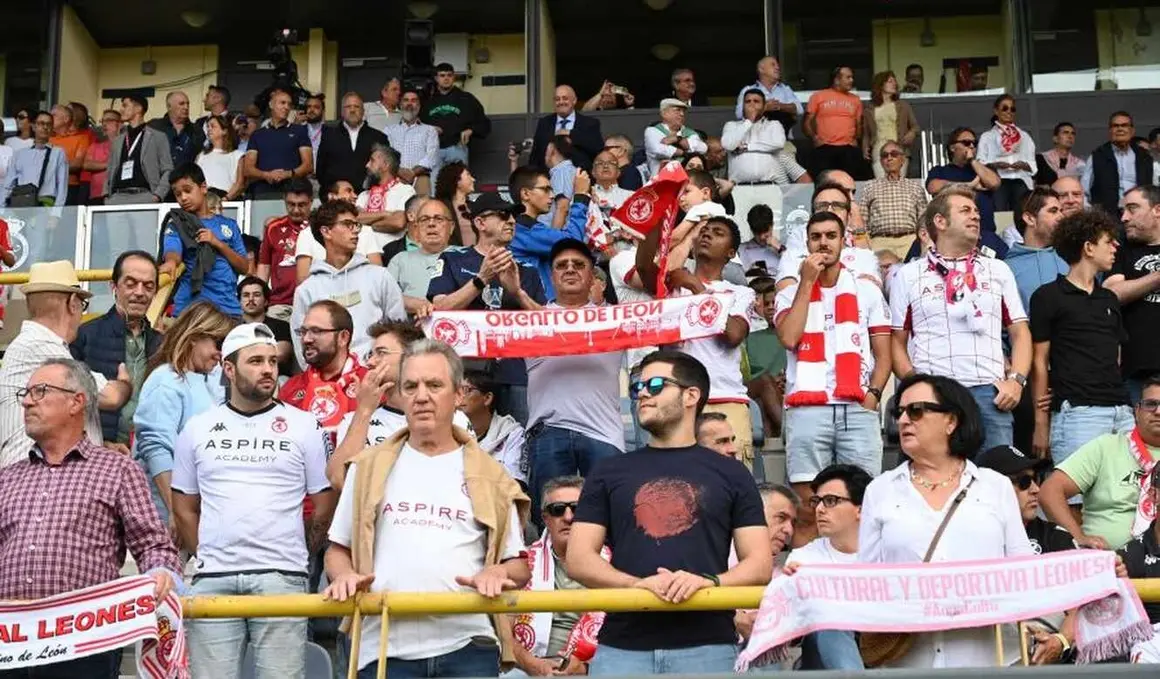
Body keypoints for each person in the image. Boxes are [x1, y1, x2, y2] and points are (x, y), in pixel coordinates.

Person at [324, 339, 531, 679]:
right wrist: (344, 575)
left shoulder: (492, 475)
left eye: (434, 385)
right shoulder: (366, 468)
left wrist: (500, 572)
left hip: (468, 646)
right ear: (401, 396)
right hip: (384, 647)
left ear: (458, 395)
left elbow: (517, 565)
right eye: (411, 386)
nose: (422, 396)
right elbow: (337, 550)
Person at [566, 350, 772, 675]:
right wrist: (636, 585)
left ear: (692, 395)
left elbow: (760, 564)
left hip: (709, 646)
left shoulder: (732, 473)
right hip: (622, 646)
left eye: (657, 384)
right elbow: (578, 559)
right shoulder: (608, 471)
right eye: (637, 388)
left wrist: (707, 583)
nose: (643, 393)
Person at [0, 358, 180, 679]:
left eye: (40, 391)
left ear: (76, 401)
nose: (27, 401)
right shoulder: (7, 478)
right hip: (9, 646)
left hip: (83, 645)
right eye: (25, 393)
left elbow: (154, 545)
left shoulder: (118, 470)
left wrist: (160, 574)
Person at [173, 323, 334, 679]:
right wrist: (208, 553)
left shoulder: (306, 425)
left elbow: (323, 501)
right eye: (256, 361)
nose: (268, 370)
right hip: (213, 576)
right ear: (228, 369)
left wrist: (301, 550)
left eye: (273, 362)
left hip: (283, 575)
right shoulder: (198, 428)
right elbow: (182, 505)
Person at [859, 373, 1033, 668]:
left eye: (916, 411)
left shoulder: (995, 486)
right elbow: (865, 581)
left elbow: (1025, 572)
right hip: (908, 664)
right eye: (898, 412)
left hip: (988, 663)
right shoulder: (880, 490)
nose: (902, 420)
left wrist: (1097, 569)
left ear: (951, 421)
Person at [889, 186, 1031, 452]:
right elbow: (896, 341)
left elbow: (1020, 332)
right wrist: (916, 386)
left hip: (990, 394)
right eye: (965, 211)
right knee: (931, 475)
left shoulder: (998, 269)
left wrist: (1016, 381)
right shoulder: (908, 275)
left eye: (976, 211)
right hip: (934, 394)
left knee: (996, 480)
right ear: (940, 222)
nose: (975, 217)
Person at [775, 212, 891, 536]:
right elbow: (789, 338)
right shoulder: (789, 293)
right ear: (807, 243)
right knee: (808, 507)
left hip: (857, 406)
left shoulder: (867, 291)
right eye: (816, 237)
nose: (823, 242)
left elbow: (884, 354)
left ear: (844, 242)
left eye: (830, 235)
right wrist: (807, 283)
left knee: (863, 504)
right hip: (807, 408)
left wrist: (874, 396)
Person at [636, 215, 758, 469]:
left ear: (731, 252)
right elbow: (645, 268)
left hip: (726, 398)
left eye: (717, 232)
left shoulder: (740, 293)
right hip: (676, 400)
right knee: (677, 483)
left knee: (732, 483)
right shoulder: (672, 286)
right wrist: (658, 221)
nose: (707, 234)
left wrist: (696, 288)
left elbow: (734, 334)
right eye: (703, 231)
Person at [428, 192, 547, 425]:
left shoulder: (527, 270)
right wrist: (480, 280)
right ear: (480, 223)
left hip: (516, 374)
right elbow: (439, 308)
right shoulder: (453, 260)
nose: (512, 221)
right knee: (460, 441)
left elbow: (545, 322)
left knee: (520, 441)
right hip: (465, 372)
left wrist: (518, 293)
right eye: (503, 215)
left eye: (513, 216)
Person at [0, 262, 133, 469]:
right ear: (72, 303)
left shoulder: (34, 344)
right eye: (83, 305)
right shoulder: (40, 345)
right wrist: (125, 382)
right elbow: (111, 397)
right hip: (35, 480)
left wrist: (100, 445)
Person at [526, 239, 624, 516]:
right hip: (549, 431)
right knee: (551, 522)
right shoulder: (524, 322)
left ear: (593, 276)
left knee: (609, 521)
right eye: (561, 265)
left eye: (579, 265)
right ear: (551, 275)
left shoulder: (616, 320)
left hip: (604, 435)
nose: (570, 269)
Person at [1030, 209, 1130, 464]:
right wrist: (1041, 423)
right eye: (1108, 241)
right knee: (1075, 500)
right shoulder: (1047, 296)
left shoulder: (1109, 298)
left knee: (1127, 496)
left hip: (1122, 411)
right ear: (1088, 247)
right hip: (1078, 413)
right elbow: (1039, 362)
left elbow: (1116, 357)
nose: (1116, 246)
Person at [133, 302, 232, 521]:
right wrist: (176, 513)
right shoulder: (166, 380)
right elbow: (156, 450)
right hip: (163, 517)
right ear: (195, 335)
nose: (220, 353)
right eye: (218, 342)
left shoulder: (205, 382)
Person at [1040, 375, 1160, 551]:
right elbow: (1049, 492)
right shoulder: (1106, 446)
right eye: (1151, 404)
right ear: (1137, 411)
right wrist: (1078, 537)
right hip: (1109, 564)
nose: (1158, 411)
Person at [506, 476, 604, 676]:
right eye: (557, 509)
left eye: (577, 508)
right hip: (530, 666)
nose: (568, 517)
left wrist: (586, 667)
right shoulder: (520, 564)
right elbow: (504, 633)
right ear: (545, 519)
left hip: (595, 666)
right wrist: (532, 664)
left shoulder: (615, 565)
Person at [291, 200, 407, 367]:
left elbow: (398, 331)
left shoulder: (380, 277)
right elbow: (302, 343)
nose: (355, 231)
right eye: (347, 224)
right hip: (327, 384)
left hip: (375, 374)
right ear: (326, 231)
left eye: (356, 225)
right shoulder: (307, 290)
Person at [70, 251, 161, 453]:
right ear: (113, 286)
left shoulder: (162, 343)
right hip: (98, 453)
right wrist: (102, 444)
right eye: (131, 284)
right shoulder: (85, 335)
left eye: (148, 286)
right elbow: (67, 400)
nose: (140, 292)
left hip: (151, 453)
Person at [781, 464, 870, 670]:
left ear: (861, 509)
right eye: (817, 501)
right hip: (822, 659)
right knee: (830, 617)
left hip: (884, 648)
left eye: (831, 501)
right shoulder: (804, 557)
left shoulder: (887, 553)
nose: (819, 509)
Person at [160, 163, 249, 316]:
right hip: (189, 311)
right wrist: (171, 262)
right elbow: (172, 250)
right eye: (178, 194)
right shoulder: (177, 224)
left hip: (227, 310)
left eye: (187, 190)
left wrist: (217, 243)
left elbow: (244, 267)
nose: (183, 198)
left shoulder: (229, 225)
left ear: (203, 188)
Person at [1103, 185, 1160, 403]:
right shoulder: (1121, 250)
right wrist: (1156, 277)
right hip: (1136, 370)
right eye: (1122, 211)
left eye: (1132, 209)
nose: (1124, 218)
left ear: (1157, 210)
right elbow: (1112, 293)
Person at [281, 300, 368, 436]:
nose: (306, 339)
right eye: (303, 332)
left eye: (316, 331)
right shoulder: (291, 388)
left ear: (343, 337)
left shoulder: (369, 384)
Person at [926, 127, 1003, 238]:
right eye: (966, 143)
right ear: (952, 147)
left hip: (985, 233)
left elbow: (994, 183)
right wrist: (970, 185)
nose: (971, 146)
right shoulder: (940, 171)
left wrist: (973, 160)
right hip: (952, 234)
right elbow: (933, 187)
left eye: (974, 143)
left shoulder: (981, 170)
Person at [420, 62, 492, 183]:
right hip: (433, 150)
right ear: (436, 78)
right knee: (435, 188)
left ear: (454, 77)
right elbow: (417, 124)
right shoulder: (427, 100)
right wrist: (429, 129)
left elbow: (485, 124)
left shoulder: (466, 99)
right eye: (442, 75)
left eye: (449, 75)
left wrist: (471, 130)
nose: (446, 78)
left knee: (459, 186)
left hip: (457, 148)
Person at [461, 370, 526, 486]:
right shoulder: (442, 433)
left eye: (466, 390)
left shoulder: (511, 434)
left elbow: (514, 485)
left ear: (487, 398)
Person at [804, 66, 866, 180]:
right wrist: (814, 139)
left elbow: (859, 123)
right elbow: (808, 121)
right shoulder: (818, 96)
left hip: (848, 148)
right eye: (848, 77)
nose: (851, 80)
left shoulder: (855, 99)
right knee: (824, 183)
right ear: (837, 80)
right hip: (824, 147)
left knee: (850, 183)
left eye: (852, 77)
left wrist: (856, 140)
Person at [978, 95, 1037, 212]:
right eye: (1005, 108)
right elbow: (980, 163)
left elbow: (1033, 165)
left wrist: (1023, 165)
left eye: (1012, 109)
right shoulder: (987, 136)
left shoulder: (1024, 136)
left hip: (1020, 179)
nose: (1009, 111)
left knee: (1023, 213)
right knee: (1000, 212)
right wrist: (995, 165)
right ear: (996, 111)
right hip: (998, 180)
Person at [531, 85, 605, 172]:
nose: (561, 102)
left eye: (565, 98)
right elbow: (535, 155)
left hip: (580, 178)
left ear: (574, 100)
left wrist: (570, 133)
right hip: (549, 179)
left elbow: (597, 147)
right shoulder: (544, 123)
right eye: (557, 99)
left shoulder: (590, 123)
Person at [862, 71, 919, 179]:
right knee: (880, 181)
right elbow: (866, 133)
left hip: (899, 147)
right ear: (880, 84)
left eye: (894, 81)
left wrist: (911, 133)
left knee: (899, 181)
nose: (894, 84)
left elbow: (915, 126)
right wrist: (865, 147)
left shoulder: (903, 105)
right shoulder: (869, 108)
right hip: (878, 148)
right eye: (890, 81)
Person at [237, 276, 294, 374]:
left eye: (257, 295)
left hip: (275, 378)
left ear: (266, 301)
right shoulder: (234, 329)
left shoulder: (281, 326)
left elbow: (281, 354)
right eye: (246, 295)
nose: (251, 299)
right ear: (239, 301)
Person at [644, 99, 708, 177]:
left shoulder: (690, 133)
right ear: (664, 113)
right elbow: (657, 150)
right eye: (677, 110)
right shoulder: (653, 131)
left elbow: (703, 148)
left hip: (687, 183)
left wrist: (678, 139)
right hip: (660, 183)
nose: (682, 114)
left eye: (683, 111)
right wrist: (684, 152)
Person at [196, 114, 246, 200]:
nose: (209, 129)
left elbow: (240, 183)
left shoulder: (237, 155)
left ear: (224, 131)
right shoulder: (201, 156)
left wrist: (226, 198)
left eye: (213, 126)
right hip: (205, 200)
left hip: (226, 200)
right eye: (208, 127)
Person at [433, 161, 477, 247]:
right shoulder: (440, 207)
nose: (473, 179)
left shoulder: (475, 207)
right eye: (468, 175)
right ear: (457, 180)